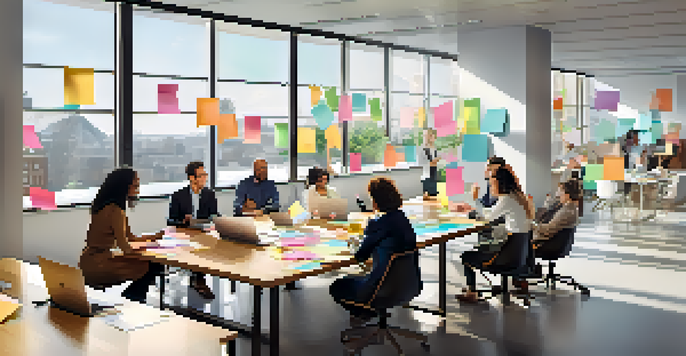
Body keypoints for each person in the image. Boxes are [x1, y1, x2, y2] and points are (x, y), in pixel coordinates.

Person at [329, 177, 419, 326]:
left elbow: (361, 256)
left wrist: (368, 233)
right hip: (409, 286)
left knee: (338, 286)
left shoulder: (379, 225)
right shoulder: (404, 220)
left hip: (380, 289)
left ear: (376, 201)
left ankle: (366, 312)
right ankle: (368, 314)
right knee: (363, 277)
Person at [79, 167, 165, 303]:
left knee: (149, 264)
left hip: (87, 261)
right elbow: (124, 246)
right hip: (100, 264)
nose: (137, 189)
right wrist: (147, 249)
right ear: (124, 186)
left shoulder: (104, 206)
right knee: (153, 265)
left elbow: (130, 238)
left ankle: (133, 298)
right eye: (135, 185)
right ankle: (132, 299)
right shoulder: (116, 211)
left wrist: (155, 237)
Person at [456, 165, 534, 303]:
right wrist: (474, 208)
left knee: (467, 256)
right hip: (519, 255)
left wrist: (474, 200)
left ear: (500, 184)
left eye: (492, 184)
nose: (491, 188)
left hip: (507, 257)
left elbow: (488, 217)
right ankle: (483, 289)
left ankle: (472, 292)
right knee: (485, 245)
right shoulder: (518, 197)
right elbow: (491, 214)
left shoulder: (507, 200)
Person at [168, 161, 218, 300]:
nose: (205, 178)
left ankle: (199, 279)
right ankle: (199, 281)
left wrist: (217, 220)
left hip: (203, 232)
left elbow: (214, 216)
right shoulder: (178, 195)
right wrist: (183, 221)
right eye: (201, 175)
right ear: (192, 178)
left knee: (206, 244)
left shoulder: (209, 194)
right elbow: (171, 220)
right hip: (185, 233)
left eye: (205, 175)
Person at [533, 180, 581, 246]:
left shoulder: (567, 211)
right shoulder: (570, 208)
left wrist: (533, 226)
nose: (559, 195)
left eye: (561, 191)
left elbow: (548, 230)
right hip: (551, 243)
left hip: (546, 245)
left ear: (567, 195)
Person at [420, 129, 441, 199]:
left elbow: (434, 161)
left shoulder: (434, 149)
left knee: (433, 195)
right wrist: (434, 161)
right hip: (427, 174)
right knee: (427, 196)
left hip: (433, 173)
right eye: (431, 136)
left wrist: (435, 161)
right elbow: (428, 163)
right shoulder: (424, 149)